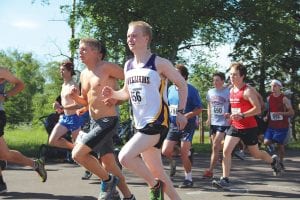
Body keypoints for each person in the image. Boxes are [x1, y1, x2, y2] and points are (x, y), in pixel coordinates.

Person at [102, 21, 187, 200]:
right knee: (158, 171)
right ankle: (166, 190)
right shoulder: (128, 66)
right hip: (140, 124)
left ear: (146, 38)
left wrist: (180, 111)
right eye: (128, 36)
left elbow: (182, 84)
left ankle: (155, 186)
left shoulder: (159, 63)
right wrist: (113, 94)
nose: (129, 39)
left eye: (134, 35)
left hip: (156, 122)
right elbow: (127, 92)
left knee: (125, 157)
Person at [70, 38, 135, 200]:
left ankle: (108, 181)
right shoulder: (84, 74)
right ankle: (128, 196)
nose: (80, 52)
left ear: (97, 52)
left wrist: (117, 98)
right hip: (94, 122)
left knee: (78, 155)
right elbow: (87, 100)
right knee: (108, 163)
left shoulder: (107, 67)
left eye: (84, 49)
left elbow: (132, 82)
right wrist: (76, 99)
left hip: (108, 120)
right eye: (80, 49)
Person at [212, 62, 282, 188]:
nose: (231, 77)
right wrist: (230, 114)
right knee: (226, 151)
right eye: (231, 75)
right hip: (235, 126)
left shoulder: (248, 91)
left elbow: (257, 109)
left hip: (249, 127)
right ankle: (225, 179)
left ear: (242, 76)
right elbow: (235, 108)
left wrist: (243, 115)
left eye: (235, 75)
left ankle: (273, 161)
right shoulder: (231, 90)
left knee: (256, 154)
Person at [0, 67, 47, 193]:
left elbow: (20, 84)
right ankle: (35, 164)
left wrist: (5, 95)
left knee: (3, 154)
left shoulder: (2, 71)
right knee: (4, 154)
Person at [162, 64, 202, 188]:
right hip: (174, 125)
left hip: (187, 125)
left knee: (184, 154)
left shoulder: (191, 90)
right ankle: (179, 159)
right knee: (165, 151)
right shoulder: (170, 89)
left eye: (176, 73)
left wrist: (187, 116)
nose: (173, 76)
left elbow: (199, 109)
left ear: (183, 76)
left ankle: (188, 179)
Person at [49, 60, 84, 155]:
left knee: (79, 153)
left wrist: (64, 107)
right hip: (65, 118)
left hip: (75, 118)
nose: (61, 72)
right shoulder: (64, 85)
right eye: (60, 70)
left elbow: (79, 105)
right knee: (52, 141)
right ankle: (75, 148)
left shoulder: (74, 86)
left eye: (63, 70)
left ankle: (90, 163)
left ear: (69, 71)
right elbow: (62, 101)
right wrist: (56, 105)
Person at [203, 72, 230, 179]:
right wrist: (209, 118)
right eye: (214, 80)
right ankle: (226, 149)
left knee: (215, 145)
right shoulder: (210, 92)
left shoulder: (228, 91)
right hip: (214, 122)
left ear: (223, 81)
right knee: (215, 147)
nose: (215, 82)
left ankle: (210, 170)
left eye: (218, 80)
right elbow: (209, 106)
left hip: (223, 122)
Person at [264, 80, 294, 170]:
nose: (273, 88)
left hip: (282, 126)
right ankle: (275, 155)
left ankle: (281, 162)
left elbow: (291, 112)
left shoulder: (284, 98)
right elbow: (270, 110)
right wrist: (266, 116)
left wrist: (281, 113)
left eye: (275, 86)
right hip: (271, 125)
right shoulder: (269, 98)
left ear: (280, 87)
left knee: (280, 146)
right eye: (271, 86)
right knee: (266, 142)